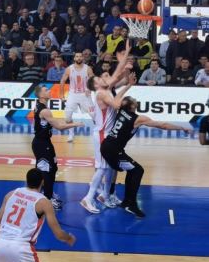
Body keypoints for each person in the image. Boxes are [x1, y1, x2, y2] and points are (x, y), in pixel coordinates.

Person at [101, 96, 192, 217]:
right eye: (134, 100)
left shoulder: (121, 110)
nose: (136, 100)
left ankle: (126, 201)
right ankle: (129, 204)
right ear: (132, 106)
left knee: (133, 170)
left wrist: (127, 83)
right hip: (113, 150)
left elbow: (117, 98)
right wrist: (181, 128)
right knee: (138, 170)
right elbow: (163, 125)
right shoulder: (138, 119)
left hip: (108, 146)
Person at [0, 168, 76, 262]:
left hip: (0, 243)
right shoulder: (43, 202)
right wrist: (69, 238)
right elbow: (58, 234)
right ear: (42, 182)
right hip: (21, 248)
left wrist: (6, 240)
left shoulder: (11, 194)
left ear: (26, 180)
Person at [81, 45, 135, 213]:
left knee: (110, 166)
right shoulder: (102, 93)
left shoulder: (106, 90)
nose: (102, 78)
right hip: (102, 134)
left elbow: (118, 75)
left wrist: (124, 59)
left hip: (107, 133)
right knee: (103, 167)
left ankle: (104, 194)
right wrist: (124, 58)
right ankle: (88, 198)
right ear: (96, 85)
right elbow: (118, 104)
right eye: (99, 79)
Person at [32, 85, 84, 210]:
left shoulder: (41, 106)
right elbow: (59, 127)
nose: (49, 91)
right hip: (41, 144)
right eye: (46, 90)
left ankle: (46, 192)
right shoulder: (44, 110)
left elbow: (51, 122)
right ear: (40, 95)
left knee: (53, 168)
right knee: (47, 171)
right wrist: (75, 124)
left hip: (45, 143)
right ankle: (47, 199)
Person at [59, 52, 94, 142]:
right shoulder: (69, 69)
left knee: (94, 115)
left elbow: (93, 81)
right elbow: (62, 81)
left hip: (85, 94)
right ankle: (71, 134)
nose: (79, 58)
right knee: (67, 117)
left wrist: (90, 89)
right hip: (73, 94)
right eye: (77, 56)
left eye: (80, 56)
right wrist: (61, 95)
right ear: (74, 58)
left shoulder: (88, 68)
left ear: (83, 58)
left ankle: (99, 132)